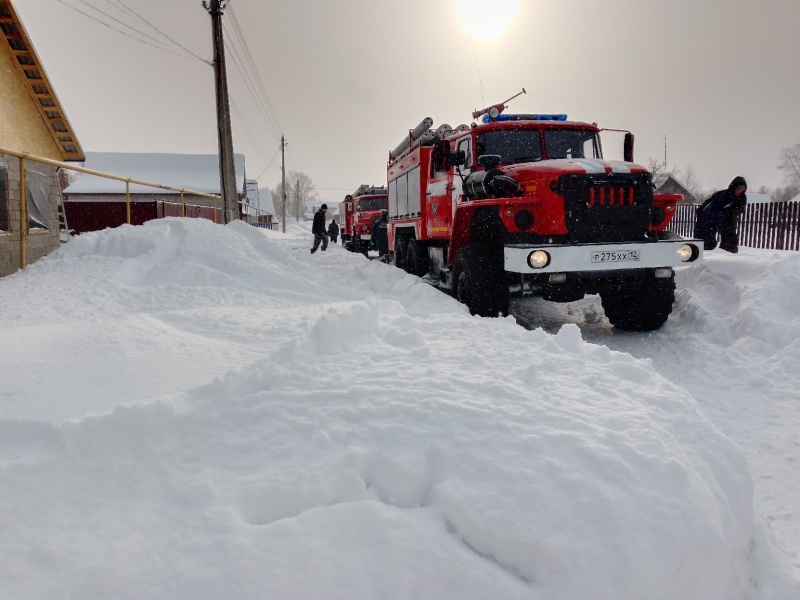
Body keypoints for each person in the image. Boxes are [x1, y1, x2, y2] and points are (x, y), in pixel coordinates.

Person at [694, 176, 747, 252]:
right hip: (716, 218)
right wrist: (701, 209)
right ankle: (715, 252)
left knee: (730, 239)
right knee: (707, 234)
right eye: (738, 188)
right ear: (734, 187)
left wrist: (730, 208)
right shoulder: (723, 194)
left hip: (730, 221)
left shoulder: (742, 198)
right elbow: (710, 202)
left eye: (743, 189)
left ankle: (729, 256)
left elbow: (739, 209)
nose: (740, 191)